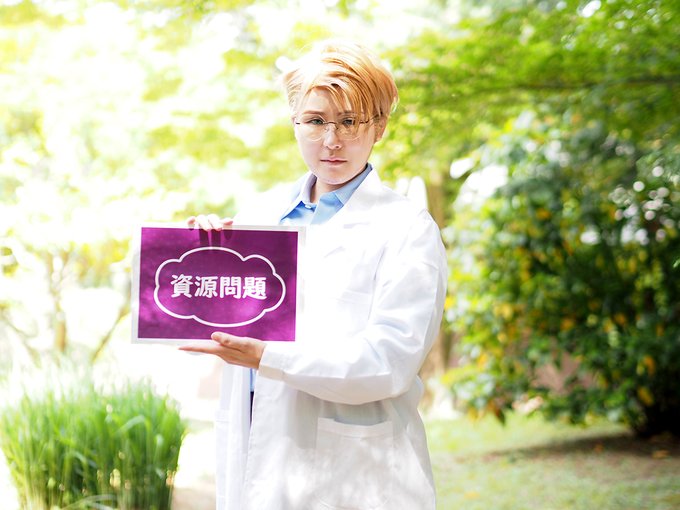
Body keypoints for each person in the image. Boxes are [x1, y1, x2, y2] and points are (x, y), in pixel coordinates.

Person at [181, 40, 447, 510]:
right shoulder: (259, 216)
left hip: (357, 475)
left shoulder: (407, 228)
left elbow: (388, 361)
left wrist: (269, 357)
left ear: (379, 126)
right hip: (258, 459)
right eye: (316, 120)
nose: (332, 140)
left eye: (350, 121)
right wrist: (203, 253)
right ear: (294, 122)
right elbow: (217, 317)